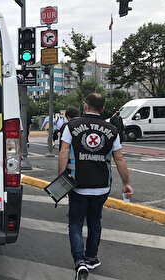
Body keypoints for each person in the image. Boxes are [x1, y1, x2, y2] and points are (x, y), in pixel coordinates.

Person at [58, 93, 133, 280]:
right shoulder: (112, 129)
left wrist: (61, 179)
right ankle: (91, 257)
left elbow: (64, 152)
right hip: (101, 186)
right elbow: (120, 158)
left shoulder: (71, 127)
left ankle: (79, 262)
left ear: (85, 106)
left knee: (75, 223)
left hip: (77, 185)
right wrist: (126, 183)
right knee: (95, 221)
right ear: (103, 109)